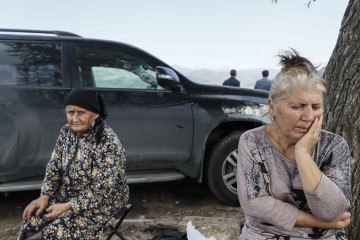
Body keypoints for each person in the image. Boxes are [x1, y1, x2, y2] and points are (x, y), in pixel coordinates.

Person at [236, 49, 351, 240]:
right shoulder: (252, 142)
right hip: (264, 235)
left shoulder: (334, 146)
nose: (308, 117)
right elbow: (255, 204)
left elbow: (332, 211)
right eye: (297, 107)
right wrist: (319, 223)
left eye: (316, 107)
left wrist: (303, 154)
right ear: (272, 107)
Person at [18, 89, 130, 240]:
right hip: (70, 193)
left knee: (57, 230)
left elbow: (102, 189)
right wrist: (45, 195)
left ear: (96, 114)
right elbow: (54, 166)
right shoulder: (66, 132)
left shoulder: (107, 142)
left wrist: (68, 206)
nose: (74, 118)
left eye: (81, 112)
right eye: (70, 112)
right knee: (32, 219)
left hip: (104, 201)